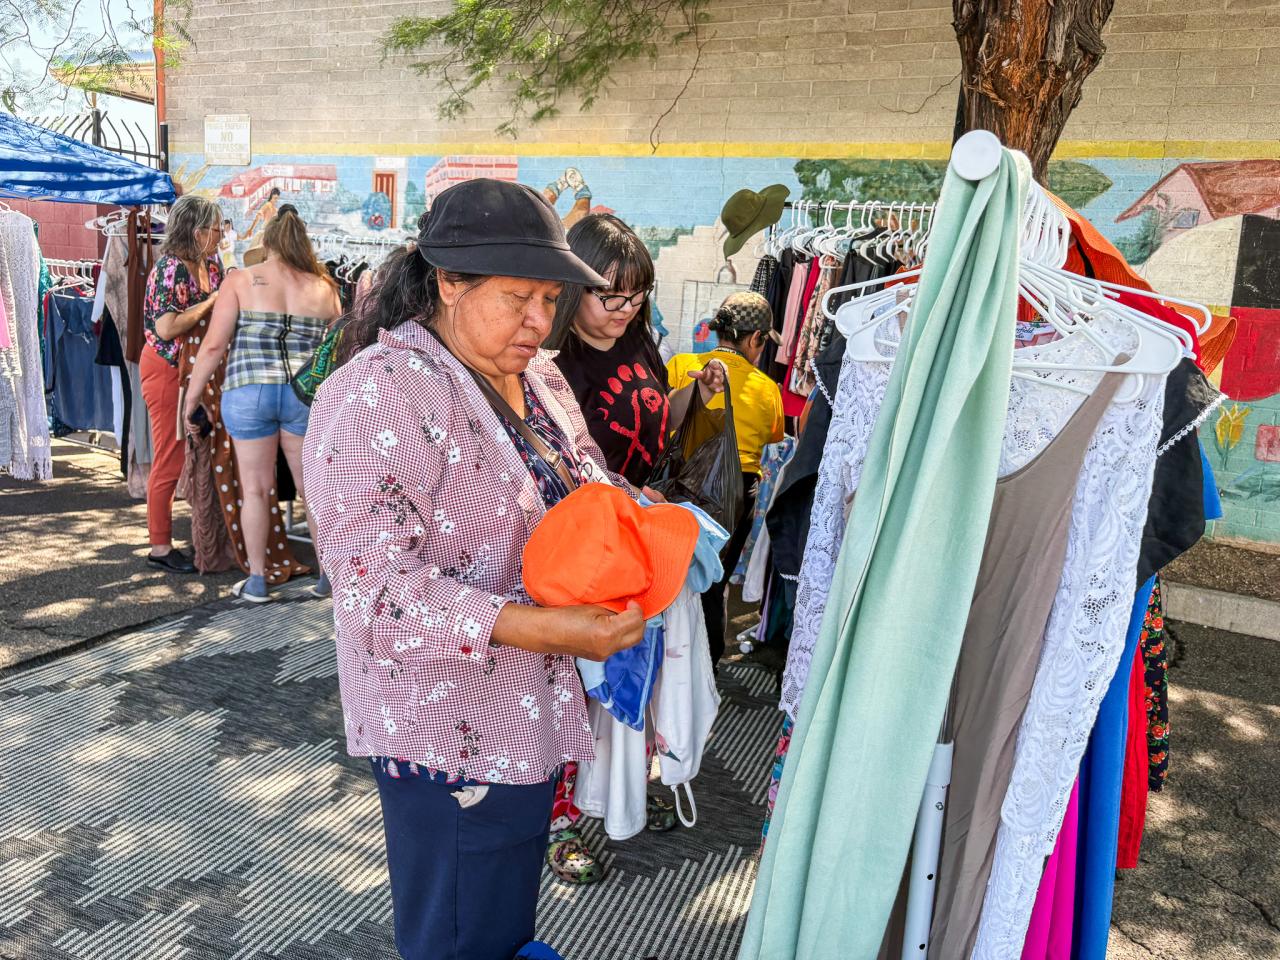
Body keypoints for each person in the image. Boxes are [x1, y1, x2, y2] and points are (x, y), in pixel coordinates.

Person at [303, 178, 647, 960]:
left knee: (498, 925)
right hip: (449, 736)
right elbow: (378, 599)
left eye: (550, 298)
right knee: (460, 936)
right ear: (449, 284)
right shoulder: (376, 397)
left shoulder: (541, 375)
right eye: (519, 297)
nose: (540, 321)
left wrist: (644, 517)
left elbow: (585, 481)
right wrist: (545, 627)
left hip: (531, 712)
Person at [545, 212, 726, 885]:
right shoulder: (551, 361)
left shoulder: (638, 343)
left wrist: (692, 398)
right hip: (581, 540)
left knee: (634, 672)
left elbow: (649, 416)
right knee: (574, 681)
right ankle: (560, 819)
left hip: (639, 533)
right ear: (573, 288)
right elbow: (557, 458)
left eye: (635, 296)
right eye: (607, 295)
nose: (622, 310)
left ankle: (618, 784)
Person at [183, 206, 342, 603]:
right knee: (313, 489)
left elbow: (215, 345)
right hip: (304, 396)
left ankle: (257, 581)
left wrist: (192, 398)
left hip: (248, 390)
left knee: (255, 490)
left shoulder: (240, 279)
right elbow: (338, 347)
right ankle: (328, 577)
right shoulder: (325, 287)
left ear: (267, 243)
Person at [666, 291, 785, 666]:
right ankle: (705, 667)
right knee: (711, 584)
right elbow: (773, 437)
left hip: (676, 484)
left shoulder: (681, 364)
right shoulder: (767, 389)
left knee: (667, 577)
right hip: (732, 495)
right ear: (756, 340)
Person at [140, 195, 224, 574]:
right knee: (170, 455)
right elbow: (166, 327)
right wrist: (213, 302)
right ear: (196, 230)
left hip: (199, 370)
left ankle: (205, 538)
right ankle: (159, 547)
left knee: (201, 455)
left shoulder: (213, 262)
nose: (222, 233)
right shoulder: (170, 268)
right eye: (216, 226)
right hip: (166, 370)